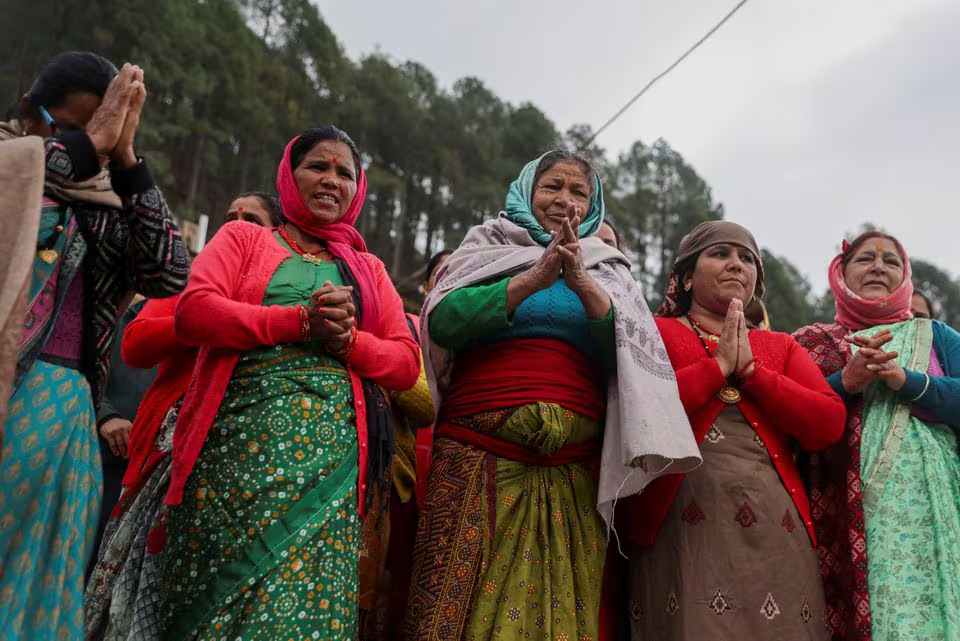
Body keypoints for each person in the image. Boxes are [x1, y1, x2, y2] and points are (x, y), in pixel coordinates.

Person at [405, 150, 700, 641]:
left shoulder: (610, 271)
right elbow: (444, 321)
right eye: (552, 187)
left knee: (557, 614)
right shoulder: (486, 247)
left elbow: (628, 362)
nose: (565, 200)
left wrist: (582, 284)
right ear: (526, 192)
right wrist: (532, 279)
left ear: (594, 204)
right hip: (477, 460)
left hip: (572, 474)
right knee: (453, 610)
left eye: (579, 192)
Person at [159, 126, 420, 640]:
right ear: (289, 174)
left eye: (344, 173)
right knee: (212, 609)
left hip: (333, 470)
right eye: (317, 167)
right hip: (233, 457)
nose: (331, 180)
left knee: (304, 611)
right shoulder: (244, 239)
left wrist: (348, 345)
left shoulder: (367, 268)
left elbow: (405, 364)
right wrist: (299, 322)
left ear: (357, 189)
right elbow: (195, 313)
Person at [0, 52, 189, 641]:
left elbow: (170, 275)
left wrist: (128, 163)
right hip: (12, 394)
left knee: (46, 568)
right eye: (75, 129)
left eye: (103, 133)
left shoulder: (105, 202)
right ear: (31, 113)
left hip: (67, 414)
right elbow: (28, 174)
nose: (92, 148)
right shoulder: (11, 161)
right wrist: (94, 141)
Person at [623, 220, 844, 640]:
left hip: (774, 529)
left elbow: (827, 425)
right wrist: (717, 369)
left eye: (746, 259)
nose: (736, 265)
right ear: (686, 276)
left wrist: (753, 374)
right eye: (720, 254)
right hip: (680, 529)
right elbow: (639, 411)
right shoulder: (654, 332)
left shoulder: (780, 347)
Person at [84, 196, 276, 640]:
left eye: (251, 220)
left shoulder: (283, 286)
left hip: (247, 458)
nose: (236, 225)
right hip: (163, 452)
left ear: (275, 235)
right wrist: (205, 318)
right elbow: (135, 342)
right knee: (135, 589)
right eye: (229, 217)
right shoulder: (188, 281)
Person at [793, 231, 960, 641]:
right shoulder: (807, 343)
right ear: (841, 272)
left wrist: (908, 380)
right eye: (866, 259)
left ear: (904, 277)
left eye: (891, 262)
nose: (879, 267)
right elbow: (791, 419)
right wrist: (845, 382)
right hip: (841, 505)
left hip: (933, 506)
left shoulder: (936, 335)